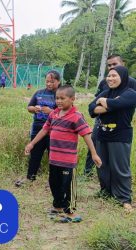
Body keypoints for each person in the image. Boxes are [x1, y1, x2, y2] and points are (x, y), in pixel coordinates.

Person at [25, 85, 102, 223]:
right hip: (54, 159)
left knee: (68, 186)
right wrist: (32, 144)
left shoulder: (76, 117)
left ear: (72, 99)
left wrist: (94, 154)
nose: (59, 101)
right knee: (54, 183)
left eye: (62, 98)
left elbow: (86, 135)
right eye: (57, 98)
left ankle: (70, 212)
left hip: (68, 161)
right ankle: (58, 207)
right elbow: (44, 130)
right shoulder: (53, 114)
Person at [88, 66, 136, 212]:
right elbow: (91, 109)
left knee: (120, 168)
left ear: (123, 77)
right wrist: (107, 102)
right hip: (103, 134)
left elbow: (117, 103)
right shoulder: (106, 92)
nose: (110, 79)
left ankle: (124, 198)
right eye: (109, 76)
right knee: (102, 166)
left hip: (120, 136)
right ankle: (106, 192)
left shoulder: (131, 93)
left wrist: (103, 101)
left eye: (114, 76)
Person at [84, 54, 136, 176]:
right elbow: (93, 105)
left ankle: (118, 186)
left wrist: (111, 103)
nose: (111, 67)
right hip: (100, 121)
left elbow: (125, 102)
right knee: (95, 144)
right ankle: (87, 172)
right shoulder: (104, 82)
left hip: (121, 124)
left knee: (117, 158)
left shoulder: (132, 83)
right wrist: (109, 104)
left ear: (122, 64)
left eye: (115, 64)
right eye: (109, 65)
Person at [15, 70, 61, 187]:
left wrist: (51, 111)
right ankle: (31, 177)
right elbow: (29, 107)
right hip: (37, 128)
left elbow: (66, 112)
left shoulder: (61, 94)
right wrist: (34, 109)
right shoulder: (39, 93)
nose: (49, 84)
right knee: (35, 153)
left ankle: (53, 181)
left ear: (58, 81)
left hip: (55, 130)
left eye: (52, 81)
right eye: (47, 81)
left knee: (54, 155)